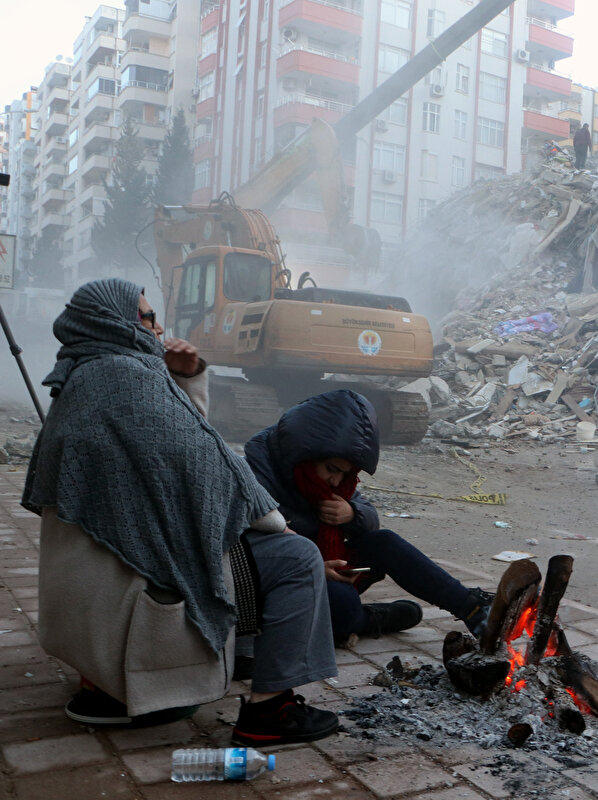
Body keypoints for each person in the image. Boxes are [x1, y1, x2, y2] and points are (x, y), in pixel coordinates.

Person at [22, 278, 340, 745]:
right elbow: (206, 465)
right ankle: (271, 710)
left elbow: (177, 449)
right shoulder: (126, 377)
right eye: (149, 317)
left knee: (248, 554)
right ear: (119, 321)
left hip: (99, 596)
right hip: (132, 597)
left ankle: (238, 659)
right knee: (295, 559)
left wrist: (187, 377)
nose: (159, 326)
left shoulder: (88, 370)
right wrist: (277, 523)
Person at [244, 390, 493, 647]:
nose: (336, 481)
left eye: (345, 474)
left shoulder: (334, 482)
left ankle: (473, 609)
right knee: (343, 604)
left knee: (383, 542)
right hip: (284, 578)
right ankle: (368, 619)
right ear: (306, 453)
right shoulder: (256, 473)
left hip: (331, 568)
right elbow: (251, 550)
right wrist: (314, 566)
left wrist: (352, 513)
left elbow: (370, 517)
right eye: (332, 470)